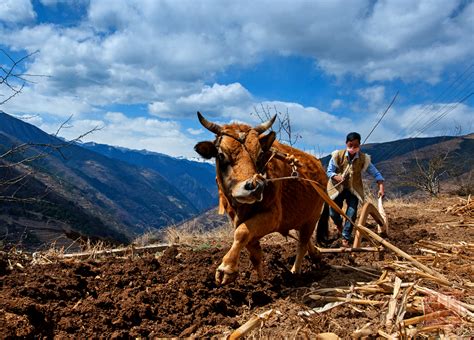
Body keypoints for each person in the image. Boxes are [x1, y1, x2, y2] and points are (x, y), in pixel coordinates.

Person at [326, 132, 385, 247]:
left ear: (359, 145)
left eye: (356, 145)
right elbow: (329, 171)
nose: (353, 148)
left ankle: (345, 237)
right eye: (350, 145)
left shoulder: (364, 159)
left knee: (351, 213)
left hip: (354, 189)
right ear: (346, 143)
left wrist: (381, 187)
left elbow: (376, 173)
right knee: (333, 213)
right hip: (337, 189)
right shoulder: (337, 155)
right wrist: (336, 176)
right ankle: (339, 226)